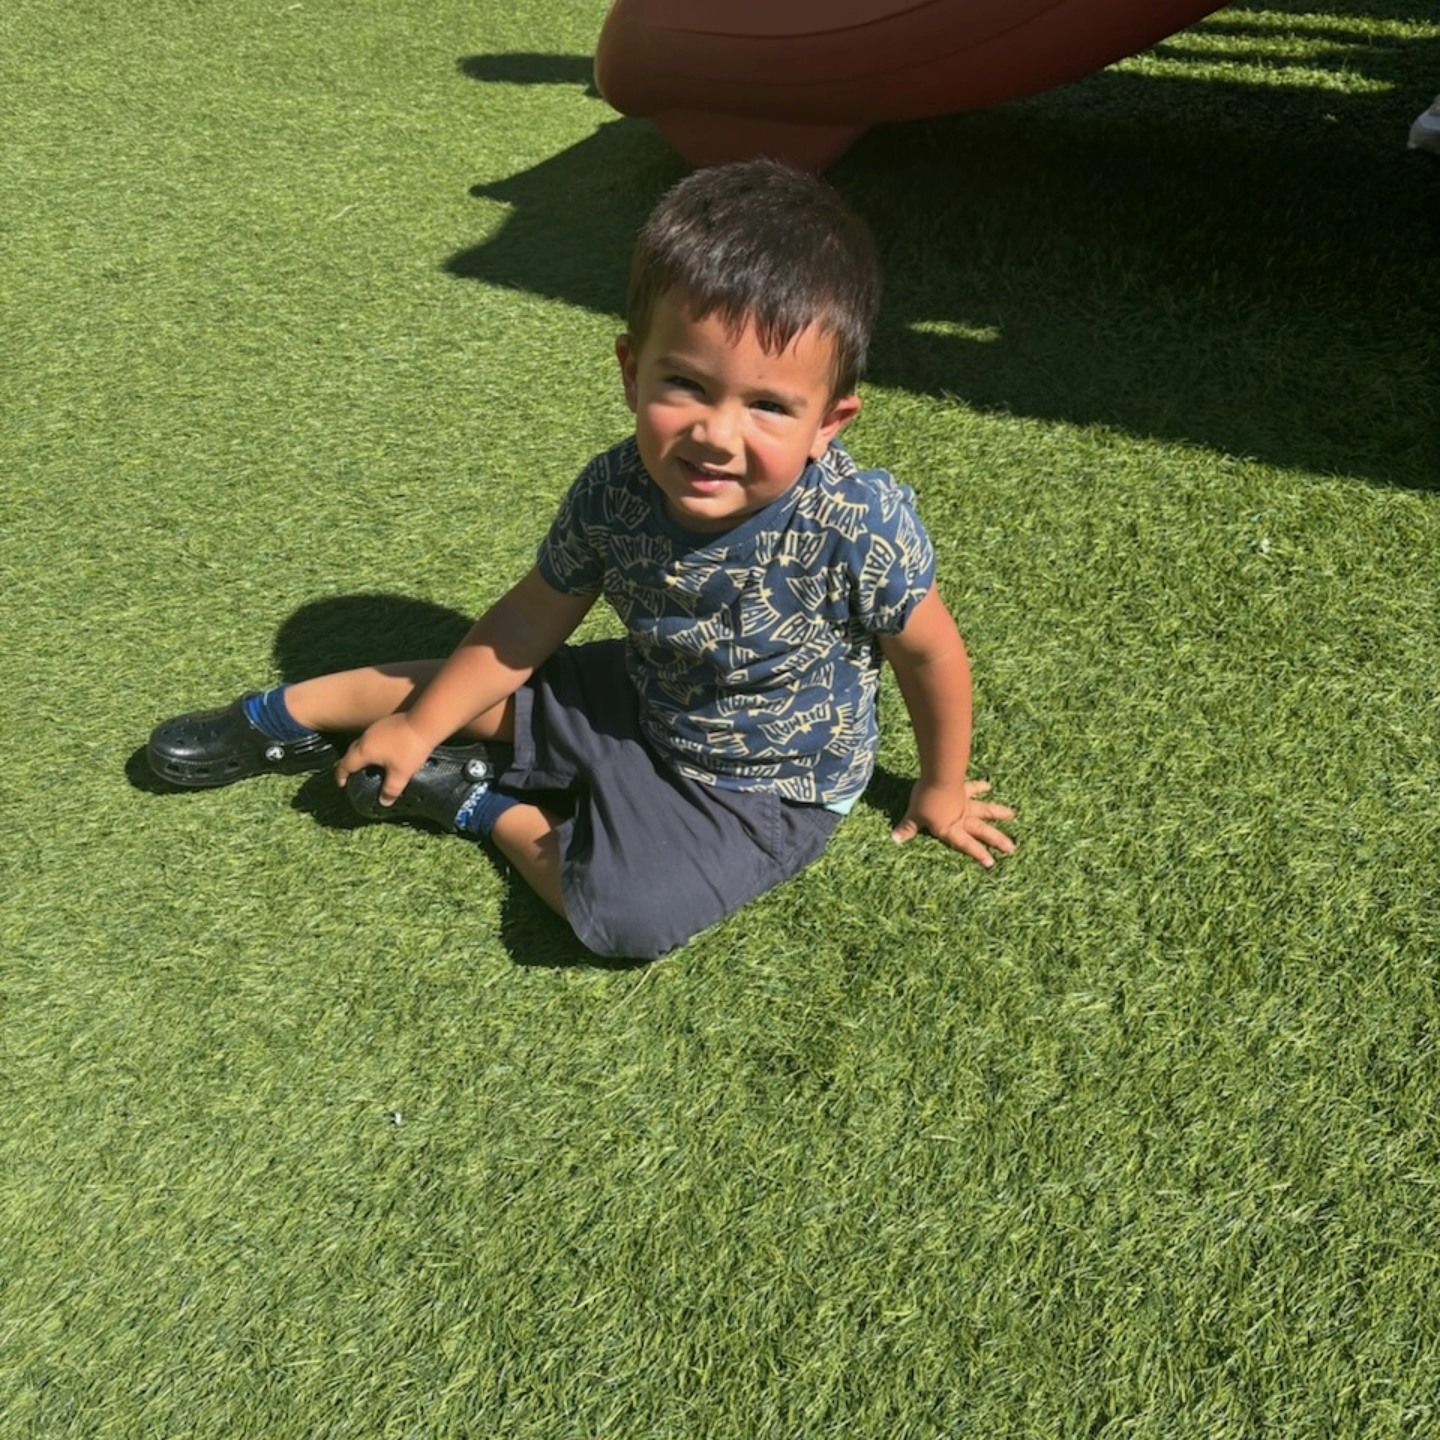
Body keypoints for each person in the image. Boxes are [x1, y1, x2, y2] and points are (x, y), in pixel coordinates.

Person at [148, 159, 1015, 959]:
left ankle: (474, 803)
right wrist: (418, 725)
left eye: (769, 406)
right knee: (476, 687)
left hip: (764, 789)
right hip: (637, 693)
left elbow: (930, 651)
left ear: (831, 422)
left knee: (628, 914)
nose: (718, 434)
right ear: (632, 371)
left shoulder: (854, 523)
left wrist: (938, 788)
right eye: (687, 385)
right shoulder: (615, 489)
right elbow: (526, 620)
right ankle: (278, 715)